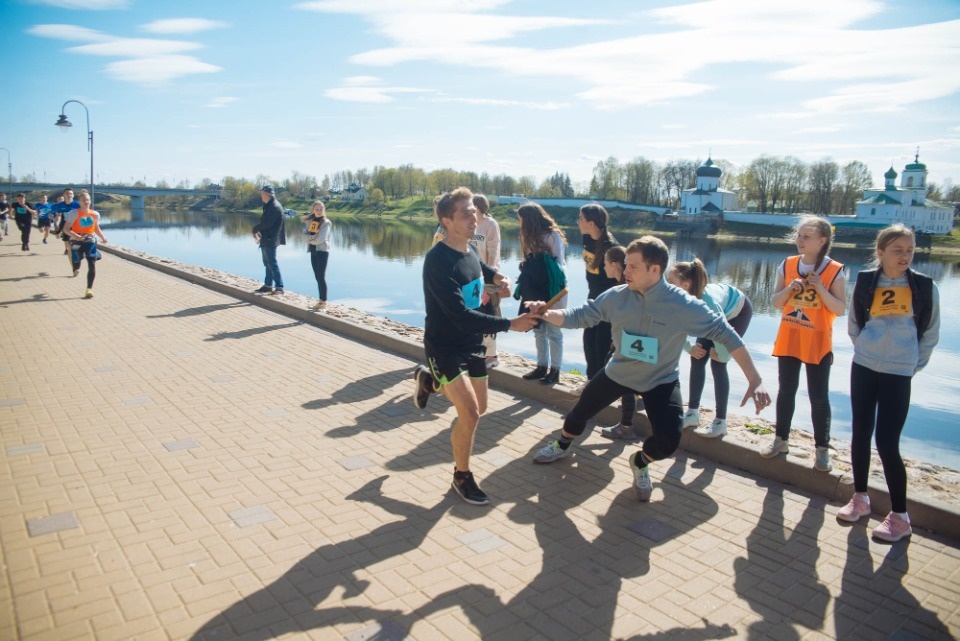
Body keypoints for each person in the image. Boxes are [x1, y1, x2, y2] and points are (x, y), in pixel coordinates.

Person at [529, 236, 771, 502]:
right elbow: (580, 315)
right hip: (619, 372)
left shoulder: (683, 305)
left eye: (632, 266)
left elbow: (727, 335)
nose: (625, 271)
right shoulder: (617, 296)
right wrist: (547, 313)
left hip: (661, 380)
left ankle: (640, 462)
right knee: (578, 413)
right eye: (625, 265)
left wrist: (755, 379)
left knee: (669, 440)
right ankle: (562, 445)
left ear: (655, 270)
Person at [412, 187, 539, 506]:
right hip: (445, 345)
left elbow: (479, 271)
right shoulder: (437, 261)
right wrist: (511, 324)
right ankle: (462, 475)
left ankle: (429, 381)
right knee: (470, 413)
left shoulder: (468, 250)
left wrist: (500, 276)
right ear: (446, 221)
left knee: (479, 408)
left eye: (474, 211)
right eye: (465, 213)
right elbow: (459, 316)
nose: (474, 216)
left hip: (473, 344)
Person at [838, 224, 940, 542]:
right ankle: (860, 498)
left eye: (910, 250)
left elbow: (930, 333)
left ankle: (900, 517)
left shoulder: (924, 286)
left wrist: (910, 364)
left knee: (887, 441)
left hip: (899, 372)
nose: (905, 256)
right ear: (881, 253)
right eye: (898, 250)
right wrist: (866, 350)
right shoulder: (867, 281)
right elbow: (854, 323)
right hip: (865, 366)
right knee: (860, 434)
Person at [762, 216, 846, 472]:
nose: (800, 240)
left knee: (818, 397)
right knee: (786, 390)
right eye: (799, 235)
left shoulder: (834, 269)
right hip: (790, 339)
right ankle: (781, 440)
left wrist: (821, 289)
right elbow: (775, 302)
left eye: (806, 236)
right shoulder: (787, 264)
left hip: (817, 342)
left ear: (822, 241)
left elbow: (840, 309)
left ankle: (822, 450)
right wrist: (790, 289)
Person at [669, 259, 754, 438]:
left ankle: (721, 421)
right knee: (698, 356)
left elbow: (725, 332)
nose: (667, 285)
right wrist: (690, 347)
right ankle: (692, 413)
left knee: (718, 363)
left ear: (685, 285)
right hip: (715, 318)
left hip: (736, 313)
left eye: (671, 282)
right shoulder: (676, 298)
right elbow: (675, 327)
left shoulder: (708, 302)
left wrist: (723, 353)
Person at [515, 202, 567, 385]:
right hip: (536, 289)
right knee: (538, 330)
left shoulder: (552, 236)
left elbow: (559, 266)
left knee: (553, 331)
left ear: (529, 219)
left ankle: (556, 370)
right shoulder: (528, 237)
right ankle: (541, 366)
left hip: (554, 290)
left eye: (521, 219)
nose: (519, 222)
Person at [597, 245, 642, 442]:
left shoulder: (626, 288)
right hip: (632, 341)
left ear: (614, 264)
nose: (603, 268)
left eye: (605, 263)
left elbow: (631, 316)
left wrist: (619, 342)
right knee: (627, 382)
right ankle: (627, 421)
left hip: (632, 342)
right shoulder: (626, 286)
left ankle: (626, 426)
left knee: (626, 382)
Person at [577, 204, 620, 383]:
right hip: (592, 299)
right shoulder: (587, 239)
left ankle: (602, 384)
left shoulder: (611, 247)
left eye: (581, 218)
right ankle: (590, 381)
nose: (578, 222)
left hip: (608, 304)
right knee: (588, 341)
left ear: (592, 223)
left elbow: (620, 280)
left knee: (600, 344)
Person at [472, 194, 503, 369]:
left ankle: (491, 356)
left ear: (478, 207)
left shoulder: (490, 225)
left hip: (488, 279)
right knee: (474, 316)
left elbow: (494, 253)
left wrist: (489, 282)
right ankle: (477, 353)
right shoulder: (469, 224)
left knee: (489, 316)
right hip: (472, 278)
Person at [63, 190, 108, 298]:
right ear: (79, 201)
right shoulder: (73, 213)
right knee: (76, 261)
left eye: (87, 200)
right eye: (83, 200)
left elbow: (96, 228)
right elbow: (66, 229)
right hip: (76, 240)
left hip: (89, 239)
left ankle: (89, 289)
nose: (86, 202)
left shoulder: (95, 214)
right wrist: (76, 236)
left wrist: (102, 237)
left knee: (91, 262)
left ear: (90, 201)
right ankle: (77, 265)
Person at [251, 185, 285, 295]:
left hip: (271, 239)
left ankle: (279, 287)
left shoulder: (275, 207)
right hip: (267, 238)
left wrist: (255, 229)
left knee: (272, 263)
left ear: (268, 194)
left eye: (262, 193)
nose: (261, 195)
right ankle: (268, 285)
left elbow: (267, 224)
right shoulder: (269, 205)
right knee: (267, 263)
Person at [301, 200, 331, 310]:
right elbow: (303, 236)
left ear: (324, 210)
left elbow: (321, 239)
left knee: (321, 277)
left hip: (322, 252)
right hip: (313, 251)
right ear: (313, 210)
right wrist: (311, 238)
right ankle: (320, 300)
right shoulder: (311, 221)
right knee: (317, 277)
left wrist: (310, 239)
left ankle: (323, 302)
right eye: (316, 209)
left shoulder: (326, 223)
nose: (319, 211)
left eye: (321, 209)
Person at [50, 188, 80, 260]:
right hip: (66, 225)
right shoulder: (59, 205)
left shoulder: (78, 204)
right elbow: (50, 213)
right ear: (64, 195)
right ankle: (68, 250)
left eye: (70, 194)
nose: (69, 195)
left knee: (77, 241)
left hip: (76, 225)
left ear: (73, 195)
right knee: (67, 242)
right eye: (67, 193)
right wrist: (57, 230)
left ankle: (75, 252)